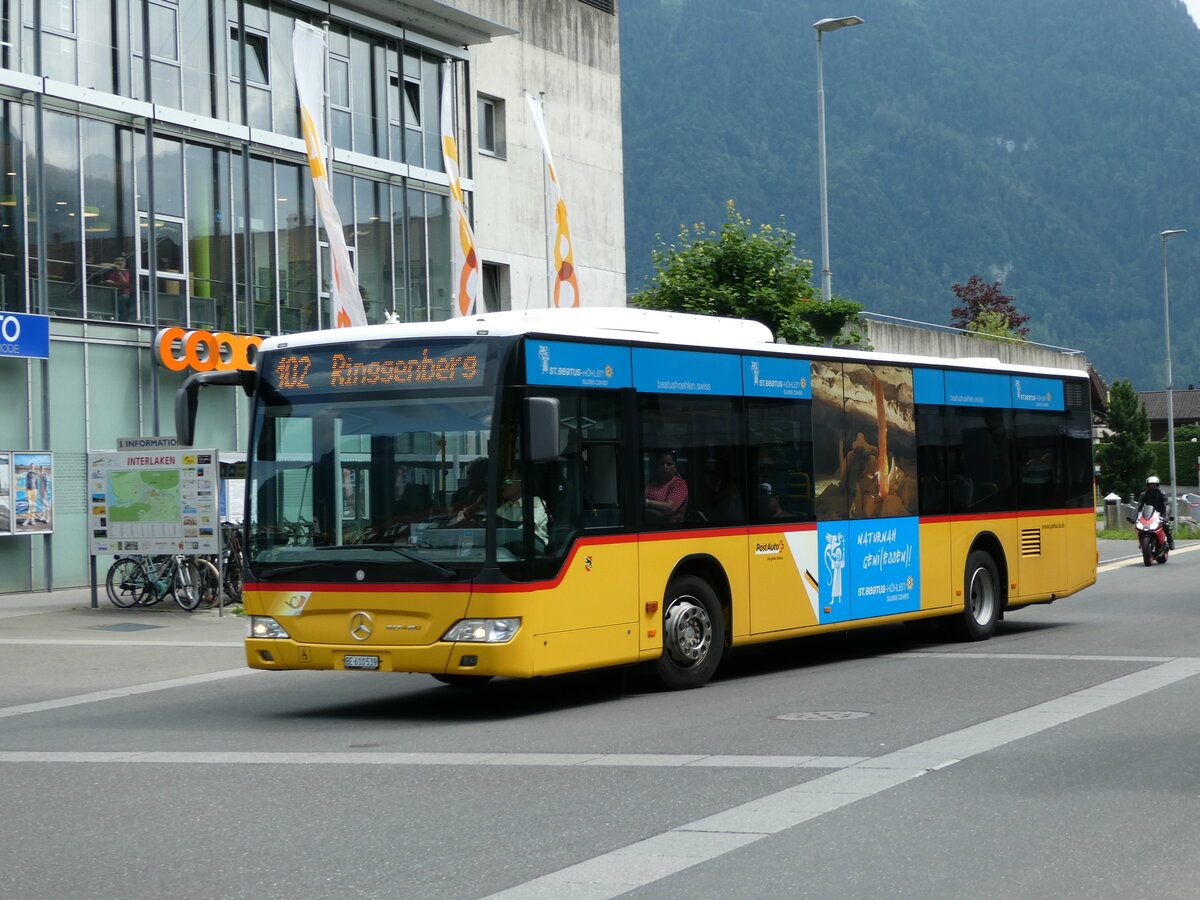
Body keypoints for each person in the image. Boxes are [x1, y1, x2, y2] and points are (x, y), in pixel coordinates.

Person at [496, 467, 548, 551]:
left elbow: (523, 528)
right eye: (503, 482)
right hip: (508, 550)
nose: (503, 486)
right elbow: (486, 525)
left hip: (534, 552)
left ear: (521, 484)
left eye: (508, 482)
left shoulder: (535, 502)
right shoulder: (505, 507)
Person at [645, 450, 688, 524]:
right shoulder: (652, 482)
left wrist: (646, 503)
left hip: (667, 527)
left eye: (669, 464)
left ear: (676, 468)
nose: (665, 467)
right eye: (661, 464)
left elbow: (670, 507)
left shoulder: (679, 484)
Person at [1136, 475, 1174, 550]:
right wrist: (1135, 518)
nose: (1152, 487)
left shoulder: (1162, 494)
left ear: (1157, 485)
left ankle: (1170, 541)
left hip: (1161, 512)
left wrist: (1165, 517)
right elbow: (1139, 506)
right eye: (1150, 485)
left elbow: (1165, 505)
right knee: (1140, 526)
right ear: (1147, 486)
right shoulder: (1144, 494)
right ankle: (1142, 542)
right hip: (1149, 513)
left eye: (1154, 485)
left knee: (1166, 525)